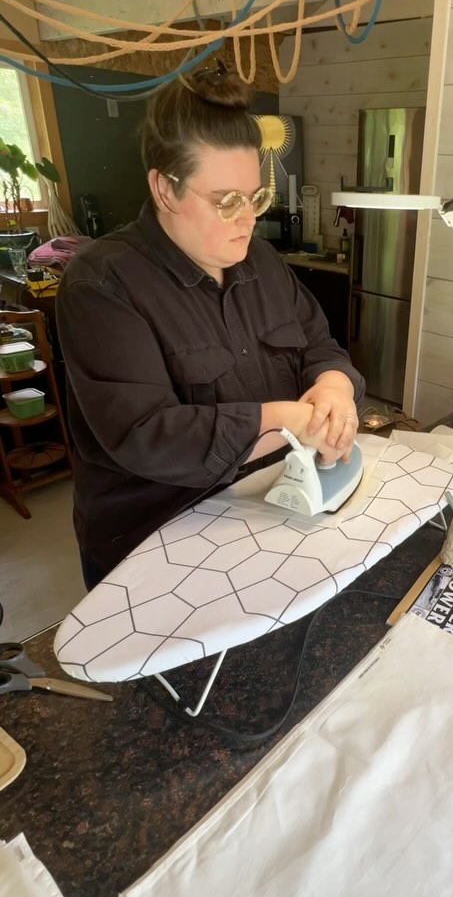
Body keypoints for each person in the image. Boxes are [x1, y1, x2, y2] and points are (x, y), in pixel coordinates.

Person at [57, 68, 365, 590]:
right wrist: (285, 420)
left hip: (266, 510)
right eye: (226, 201)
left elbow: (319, 345)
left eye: (255, 197)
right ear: (165, 188)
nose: (246, 219)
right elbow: (145, 435)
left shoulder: (263, 262)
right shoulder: (102, 284)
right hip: (155, 541)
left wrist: (334, 384)